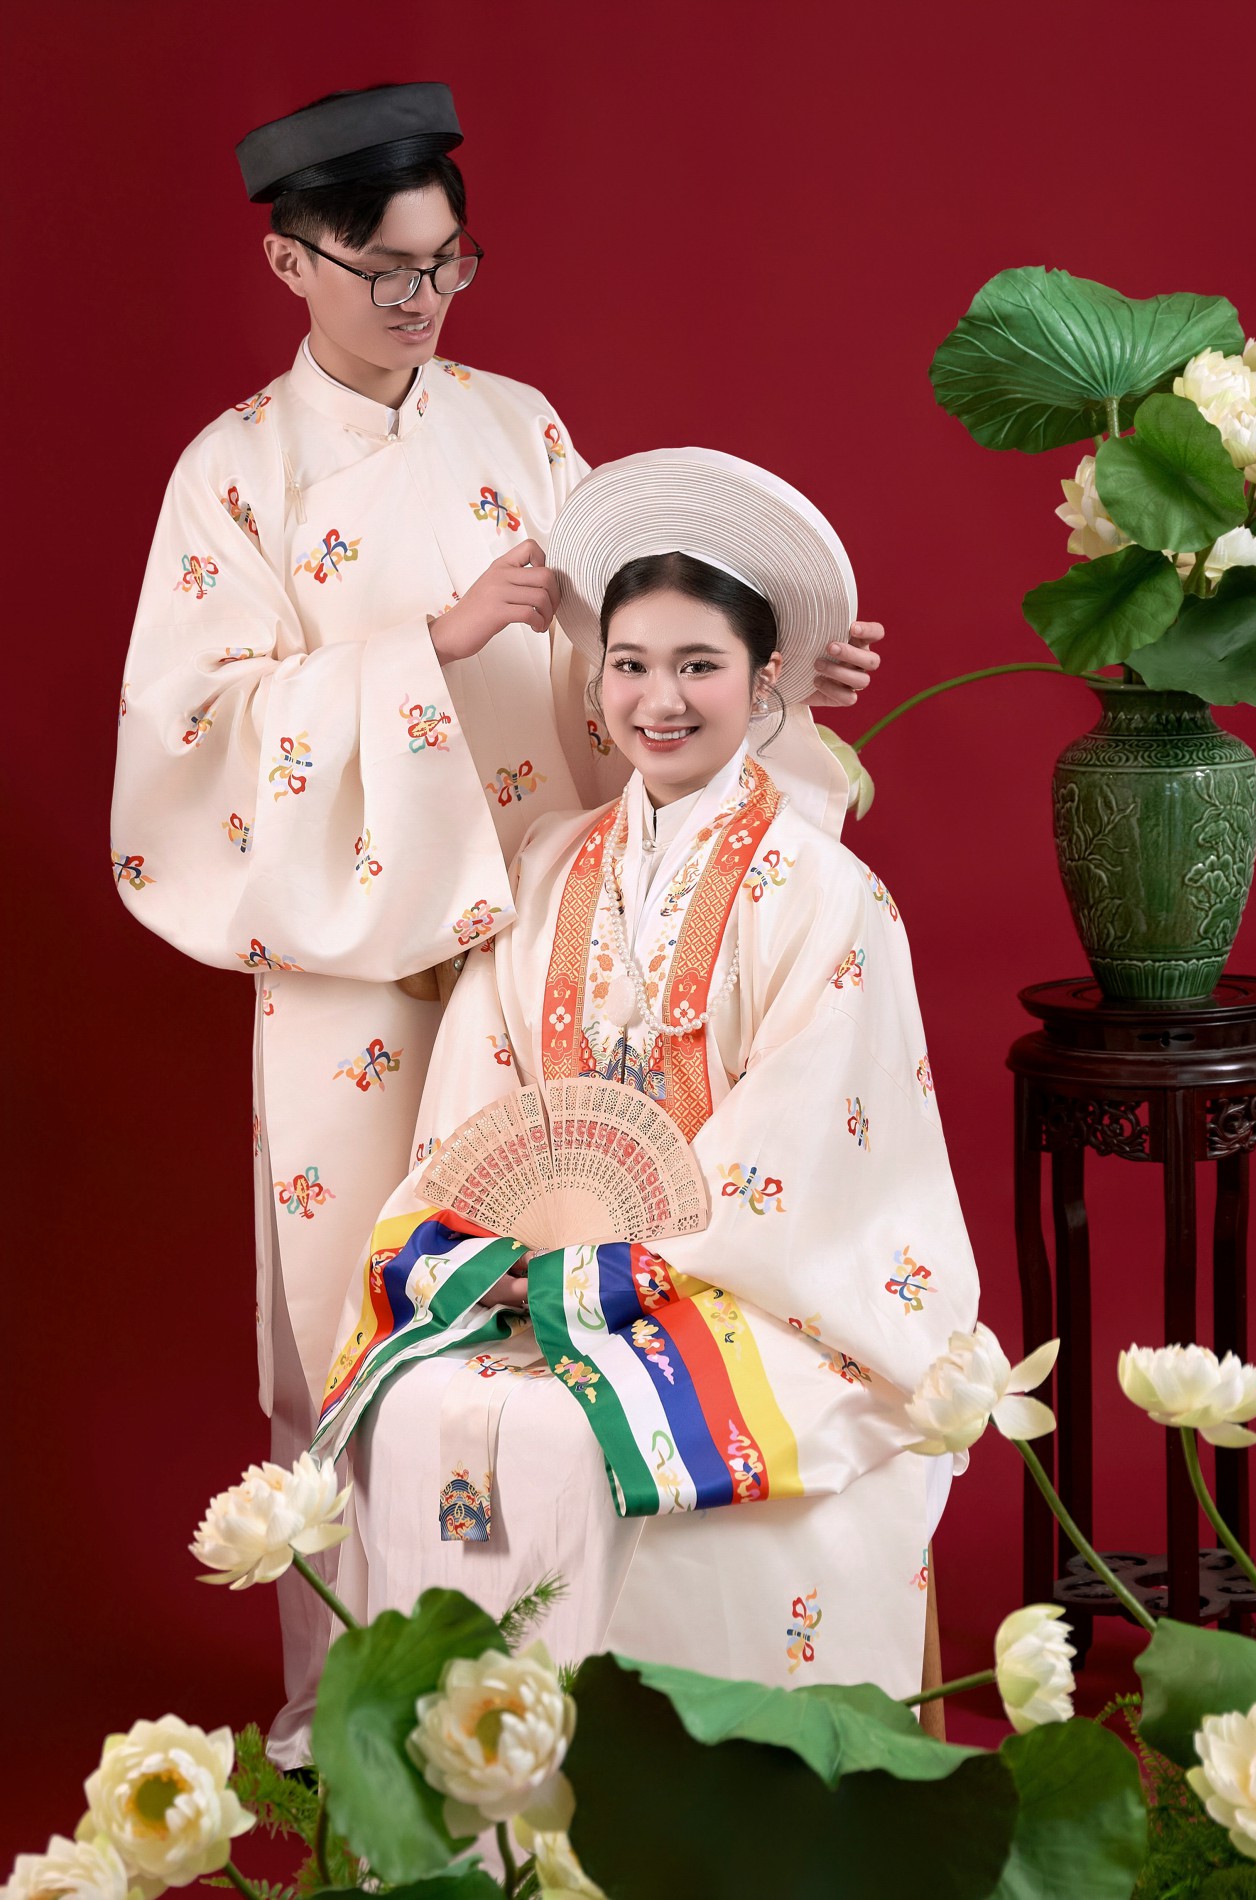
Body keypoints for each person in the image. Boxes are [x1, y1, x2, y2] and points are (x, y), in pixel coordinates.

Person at [110, 84, 882, 1759]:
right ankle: (350, 1709)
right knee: (354, 1325)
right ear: (288, 262)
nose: (422, 298)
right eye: (385, 268)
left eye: (448, 261)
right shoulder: (234, 476)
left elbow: (626, 659)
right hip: (360, 977)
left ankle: (555, 1687)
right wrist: (428, 651)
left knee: (558, 1318)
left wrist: (766, 678)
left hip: (548, 951)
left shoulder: (520, 430)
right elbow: (192, 739)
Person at [315, 450, 977, 1702]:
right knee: (416, 1403)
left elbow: (809, 1150)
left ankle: (646, 1783)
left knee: (581, 1435)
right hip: (549, 1273)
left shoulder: (824, 891)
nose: (658, 701)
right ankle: (462, 1775)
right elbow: (481, 1101)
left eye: (697, 665)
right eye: (629, 664)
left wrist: (622, 1269)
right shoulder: (549, 866)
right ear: (596, 679)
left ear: (764, 678)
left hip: (751, 1288)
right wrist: (515, 1259)